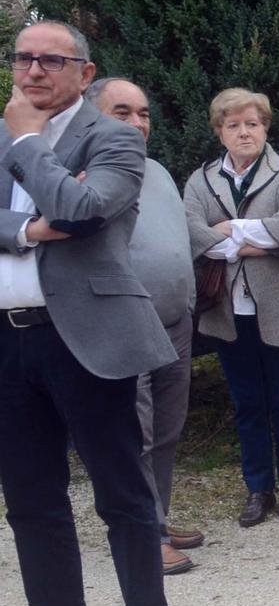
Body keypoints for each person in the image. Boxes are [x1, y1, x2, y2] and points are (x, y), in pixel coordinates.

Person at [0, 20, 178, 606]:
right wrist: (25, 229)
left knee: (121, 489)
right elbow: (48, 216)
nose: (34, 70)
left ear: (83, 70)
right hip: (9, 337)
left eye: (51, 59)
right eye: (24, 58)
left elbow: (81, 207)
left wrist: (25, 142)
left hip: (88, 333)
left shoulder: (113, 137)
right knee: (29, 495)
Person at [186, 87, 279, 531]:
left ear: (265, 127)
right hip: (227, 312)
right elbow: (190, 233)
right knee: (246, 403)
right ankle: (258, 489)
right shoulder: (200, 180)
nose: (243, 132)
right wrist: (251, 243)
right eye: (233, 125)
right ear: (219, 131)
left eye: (252, 123)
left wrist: (226, 234)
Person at [89, 77, 202, 575]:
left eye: (144, 113)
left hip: (175, 323)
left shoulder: (155, 170)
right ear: (92, 117)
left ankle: (156, 516)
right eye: (122, 113)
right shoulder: (81, 175)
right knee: (136, 435)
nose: (138, 123)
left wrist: (191, 301)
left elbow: (175, 239)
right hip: (122, 327)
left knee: (168, 429)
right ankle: (145, 536)